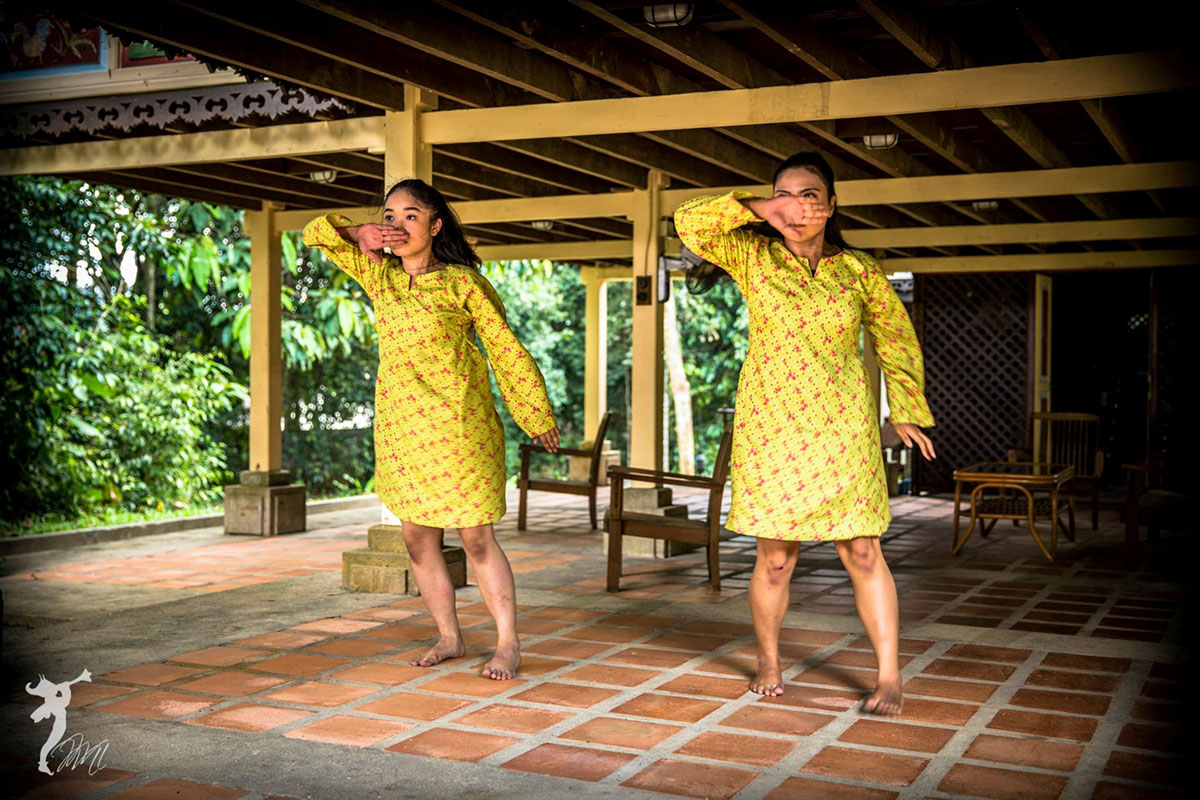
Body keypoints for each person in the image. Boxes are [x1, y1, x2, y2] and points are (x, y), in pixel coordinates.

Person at [674, 152, 936, 715]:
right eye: (784, 196)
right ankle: (769, 661)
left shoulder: (859, 270)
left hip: (845, 428)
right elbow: (688, 221)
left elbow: (895, 336)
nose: (795, 207)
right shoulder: (753, 255)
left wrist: (906, 409)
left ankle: (889, 676)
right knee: (775, 559)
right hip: (773, 428)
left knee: (863, 550)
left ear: (832, 205)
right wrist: (757, 208)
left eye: (809, 195)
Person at [302, 179, 561, 680]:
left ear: (436, 225)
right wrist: (359, 232)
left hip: (461, 426)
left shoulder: (464, 283)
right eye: (389, 216)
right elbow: (315, 232)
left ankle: (508, 643)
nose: (397, 225)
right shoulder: (379, 275)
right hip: (402, 428)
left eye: (411, 215)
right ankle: (449, 637)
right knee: (417, 538)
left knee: (476, 537)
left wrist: (535, 414)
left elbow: (505, 349)